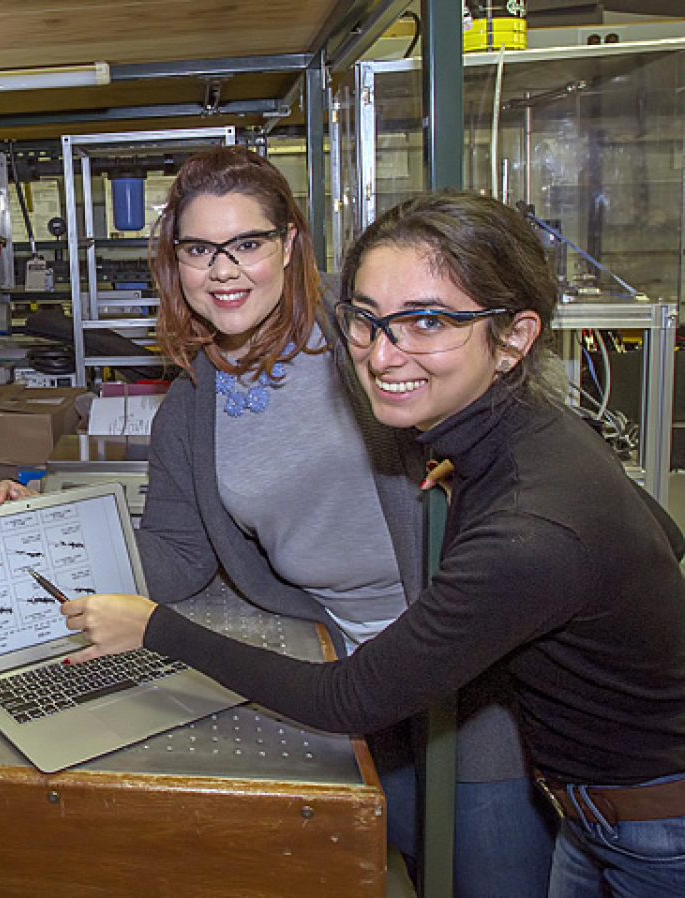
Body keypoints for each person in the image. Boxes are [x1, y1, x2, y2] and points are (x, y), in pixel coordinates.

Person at [61, 190, 685, 896]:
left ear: (514, 338)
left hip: (653, 832)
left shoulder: (528, 529)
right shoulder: (527, 442)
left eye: (428, 321)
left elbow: (347, 700)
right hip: (592, 811)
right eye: (367, 321)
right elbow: (665, 534)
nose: (384, 356)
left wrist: (154, 630)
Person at [0, 148, 555, 893]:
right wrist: (51, 528)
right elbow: (176, 555)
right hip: (351, 676)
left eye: (247, 244)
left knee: (492, 874)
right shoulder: (192, 405)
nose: (223, 270)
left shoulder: (365, 345)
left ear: (288, 244)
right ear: (175, 261)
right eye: (199, 249)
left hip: (475, 677)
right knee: (406, 862)